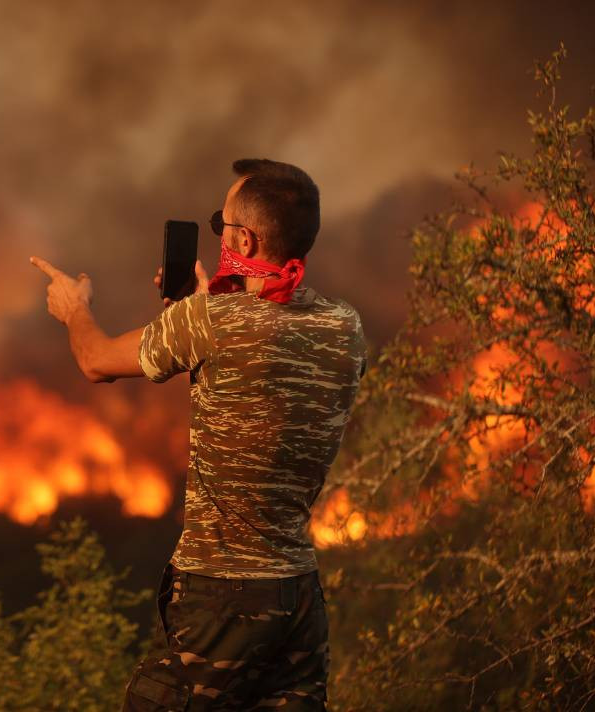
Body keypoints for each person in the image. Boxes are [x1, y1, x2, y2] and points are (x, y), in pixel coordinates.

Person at [31, 159, 367, 711]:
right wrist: (205, 308)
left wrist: (75, 310)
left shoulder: (210, 323)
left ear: (245, 239)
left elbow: (96, 360)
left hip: (222, 595)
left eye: (221, 226)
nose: (219, 237)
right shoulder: (345, 326)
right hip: (298, 598)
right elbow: (265, 377)